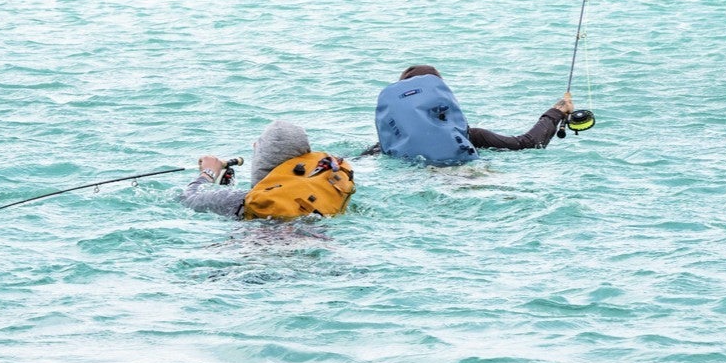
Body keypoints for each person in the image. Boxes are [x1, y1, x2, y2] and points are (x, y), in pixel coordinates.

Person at [367, 64, 574, 164]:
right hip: (470, 172)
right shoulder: (471, 136)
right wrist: (556, 112)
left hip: (418, 178)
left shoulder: (388, 146)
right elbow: (528, 143)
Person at [180, 118, 355, 220]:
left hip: (260, 249)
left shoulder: (238, 200)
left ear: (261, 159)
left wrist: (208, 172)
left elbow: (188, 197)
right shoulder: (319, 189)